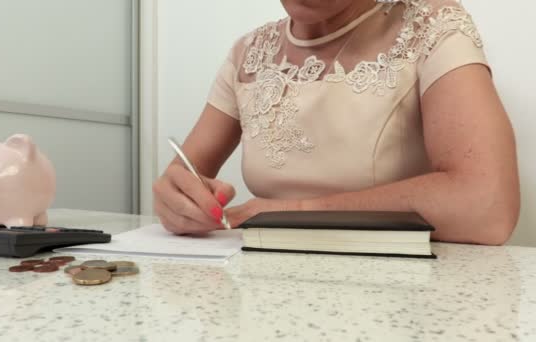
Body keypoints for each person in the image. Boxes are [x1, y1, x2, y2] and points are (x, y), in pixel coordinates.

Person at [152, 0, 520, 245]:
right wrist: (178, 202)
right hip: (263, 284)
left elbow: (486, 206)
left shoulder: (431, 26)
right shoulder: (250, 52)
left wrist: (287, 214)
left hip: (401, 293)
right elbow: (183, 177)